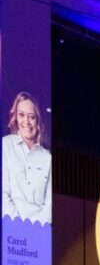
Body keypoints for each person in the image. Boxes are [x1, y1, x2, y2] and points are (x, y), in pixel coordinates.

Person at [2, 91, 52, 223]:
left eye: (32, 117)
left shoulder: (48, 158)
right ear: (16, 117)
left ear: (38, 120)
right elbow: (3, 194)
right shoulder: (5, 145)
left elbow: (50, 204)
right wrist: (18, 226)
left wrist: (36, 229)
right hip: (11, 229)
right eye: (21, 115)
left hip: (40, 231)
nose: (26, 122)